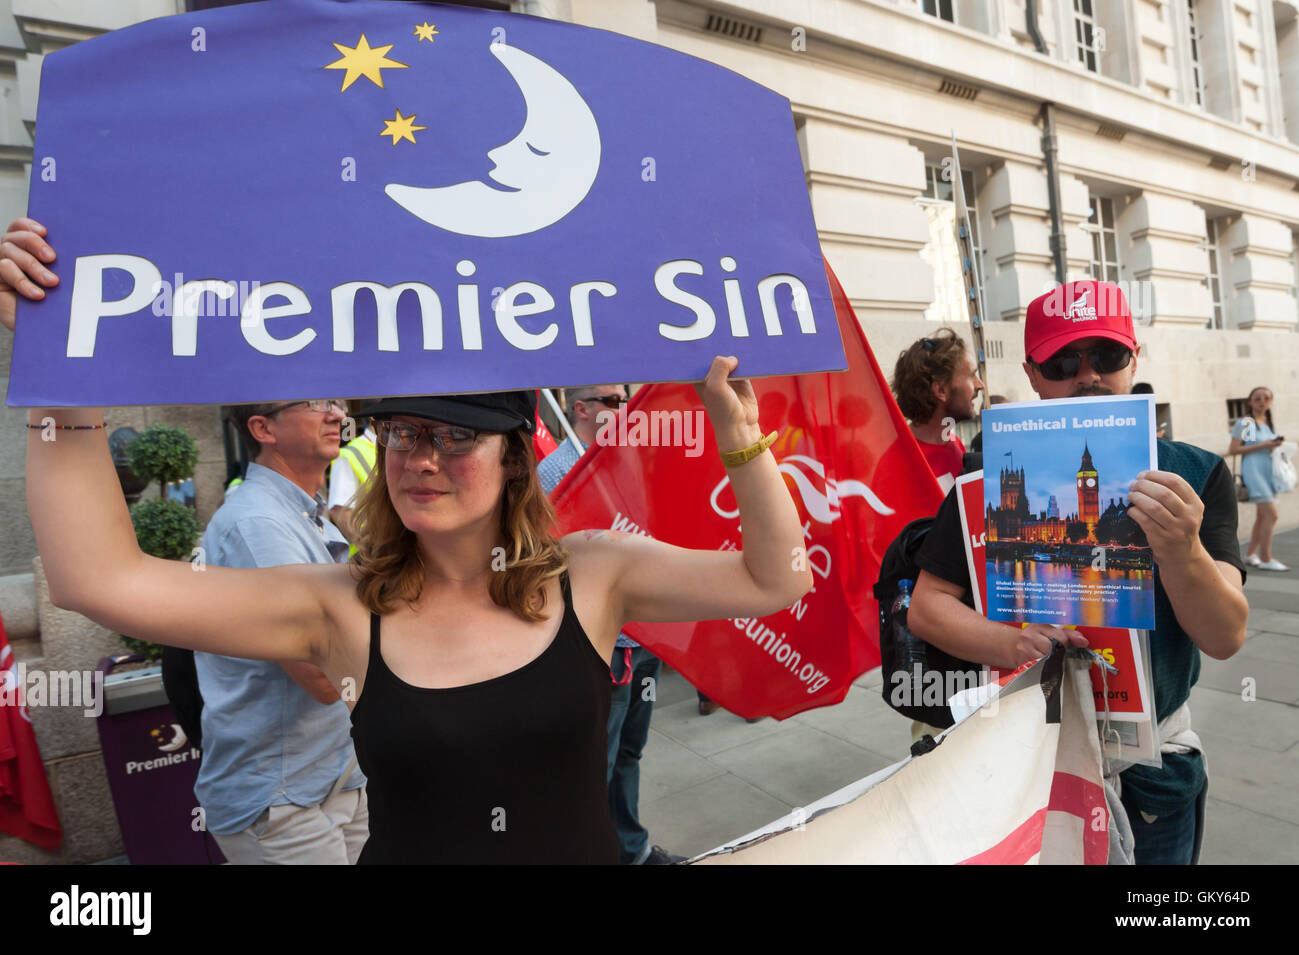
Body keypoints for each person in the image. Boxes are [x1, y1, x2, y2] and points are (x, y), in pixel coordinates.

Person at [3, 217, 812, 864]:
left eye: (457, 436)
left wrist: (738, 437)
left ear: (513, 458)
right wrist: (60, 376)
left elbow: (775, 578)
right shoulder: (339, 605)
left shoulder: (596, 571)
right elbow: (96, 578)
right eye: (403, 433)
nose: (422, 458)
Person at [907, 279, 1248, 866]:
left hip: (1152, 778)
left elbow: (1224, 637)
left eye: (1107, 355)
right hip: (1025, 766)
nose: (1087, 375)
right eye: (1063, 360)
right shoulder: (982, 482)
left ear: (1133, 357)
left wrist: (1183, 548)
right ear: (1033, 374)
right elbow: (927, 605)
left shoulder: (1194, 474)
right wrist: (1013, 640)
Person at [193, 399, 366, 864]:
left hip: (337, 776)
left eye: (336, 400)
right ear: (262, 428)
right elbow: (320, 676)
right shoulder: (257, 523)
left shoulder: (304, 511)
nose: (336, 413)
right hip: (283, 798)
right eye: (314, 402)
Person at [539, 385, 682, 865]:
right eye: (614, 401)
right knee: (597, 758)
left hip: (645, 634)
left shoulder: (629, 462)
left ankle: (631, 848)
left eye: (626, 399)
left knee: (630, 751)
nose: (626, 408)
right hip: (602, 643)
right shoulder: (556, 472)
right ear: (581, 409)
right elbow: (544, 564)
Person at [890, 329, 984, 492]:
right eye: (972, 375)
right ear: (941, 390)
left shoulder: (954, 444)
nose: (980, 385)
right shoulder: (898, 461)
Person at [1228, 386, 1288, 571]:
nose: (1262, 401)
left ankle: (1250, 554)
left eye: (1266, 398)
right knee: (1272, 514)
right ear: (1250, 402)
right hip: (1253, 470)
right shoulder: (1247, 423)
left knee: (1262, 515)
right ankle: (1266, 558)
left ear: (1271, 401)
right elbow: (1235, 449)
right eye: (1257, 398)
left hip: (1267, 470)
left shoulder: (1269, 423)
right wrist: (1264, 444)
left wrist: (1274, 445)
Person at [327, 417, 377, 551]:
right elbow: (340, 512)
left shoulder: (393, 450)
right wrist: (375, 549)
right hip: (371, 561)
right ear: (374, 418)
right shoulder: (348, 455)